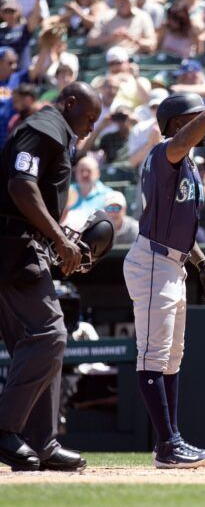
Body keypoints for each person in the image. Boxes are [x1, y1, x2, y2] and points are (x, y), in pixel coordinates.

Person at [0, 81, 102, 472]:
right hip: (13, 247)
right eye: (89, 117)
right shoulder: (43, 127)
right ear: (70, 102)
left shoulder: (57, 132)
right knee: (50, 334)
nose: (91, 127)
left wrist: (58, 237)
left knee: (40, 345)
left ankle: (41, 442)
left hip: (22, 246)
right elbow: (20, 185)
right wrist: (60, 239)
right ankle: (6, 427)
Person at [124, 90, 205, 469]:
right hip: (152, 261)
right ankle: (168, 444)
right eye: (198, 116)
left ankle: (171, 441)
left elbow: (182, 225)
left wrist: (202, 265)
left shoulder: (187, 161)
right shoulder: (165, 151)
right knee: (153, 354)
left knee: (172, 357)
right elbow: (181, 140)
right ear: (179, 124)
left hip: (173, 262)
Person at [86, 0, 157, 56]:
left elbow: (152, 45)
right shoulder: (106, 16)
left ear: (132, 1)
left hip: (134, 58)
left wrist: (134, 39)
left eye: (125, 0)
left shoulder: (143, 17)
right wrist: (110, 37)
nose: (121, 3)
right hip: (110, 59)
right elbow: (90, 41)